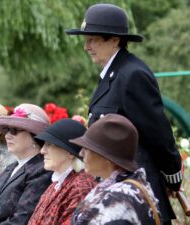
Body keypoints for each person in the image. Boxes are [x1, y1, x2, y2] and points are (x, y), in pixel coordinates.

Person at [66, 3, 182, 224]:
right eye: (85, 40)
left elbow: (158, 134)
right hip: (116, 191)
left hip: (136, 192)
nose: (86, 46)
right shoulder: (114, 73)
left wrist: (172, 178)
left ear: (114, 39)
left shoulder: (132, 74)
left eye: (92, 39)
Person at [70, 114, 161, 225]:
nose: (81, 153)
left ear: (107, 158)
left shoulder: (119, 200)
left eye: (87, 148)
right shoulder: (129, 185)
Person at [0, 103, 52, 225]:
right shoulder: (11, 168)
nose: (7, 135)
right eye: (6, 130)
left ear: (35, 135)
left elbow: (21, 220)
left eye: (14, 130)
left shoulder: (42, 169)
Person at [28, 119, 97, 225]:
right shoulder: (58, 183)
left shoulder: (81, 187)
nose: (42, 151)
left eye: (49, 144)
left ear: (70, 152)